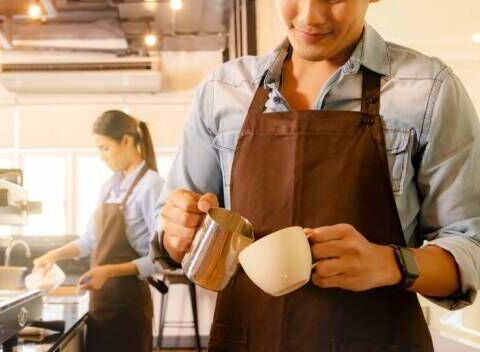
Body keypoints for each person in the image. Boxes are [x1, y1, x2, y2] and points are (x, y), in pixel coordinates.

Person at [150, 0, 480, 351]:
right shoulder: (223, 90)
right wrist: (178, 231)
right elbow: (171, 237)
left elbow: (470, 245)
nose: (310, 16)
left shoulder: (428, 91)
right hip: (246, 340)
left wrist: (390, 264)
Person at [34, 110, 164, 351]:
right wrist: (53, 255)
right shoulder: (109, 187)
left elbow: (159, 258)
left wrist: (109, 272)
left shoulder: (152, 186)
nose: (101, 157)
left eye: (105, 148)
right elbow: (89, 240)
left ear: (126, 141)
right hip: (101, 302)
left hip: (128, 306)